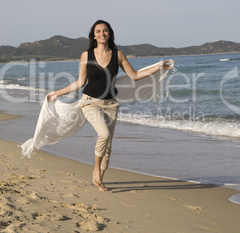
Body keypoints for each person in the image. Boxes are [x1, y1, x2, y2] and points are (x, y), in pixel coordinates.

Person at [47, 20, 172, 191]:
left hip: (111, 104)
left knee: (108, 144)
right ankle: (96, 170)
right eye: (98, 31)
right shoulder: (86, 55)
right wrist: (57, 93)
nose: (102, 34)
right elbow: (80, 82)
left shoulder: (118, 55)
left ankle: (100, 180)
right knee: (103, 134)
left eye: (105, 31)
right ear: (93, 35)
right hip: (90, 102)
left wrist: (158, 67)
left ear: (110, 33)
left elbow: (134, 75)